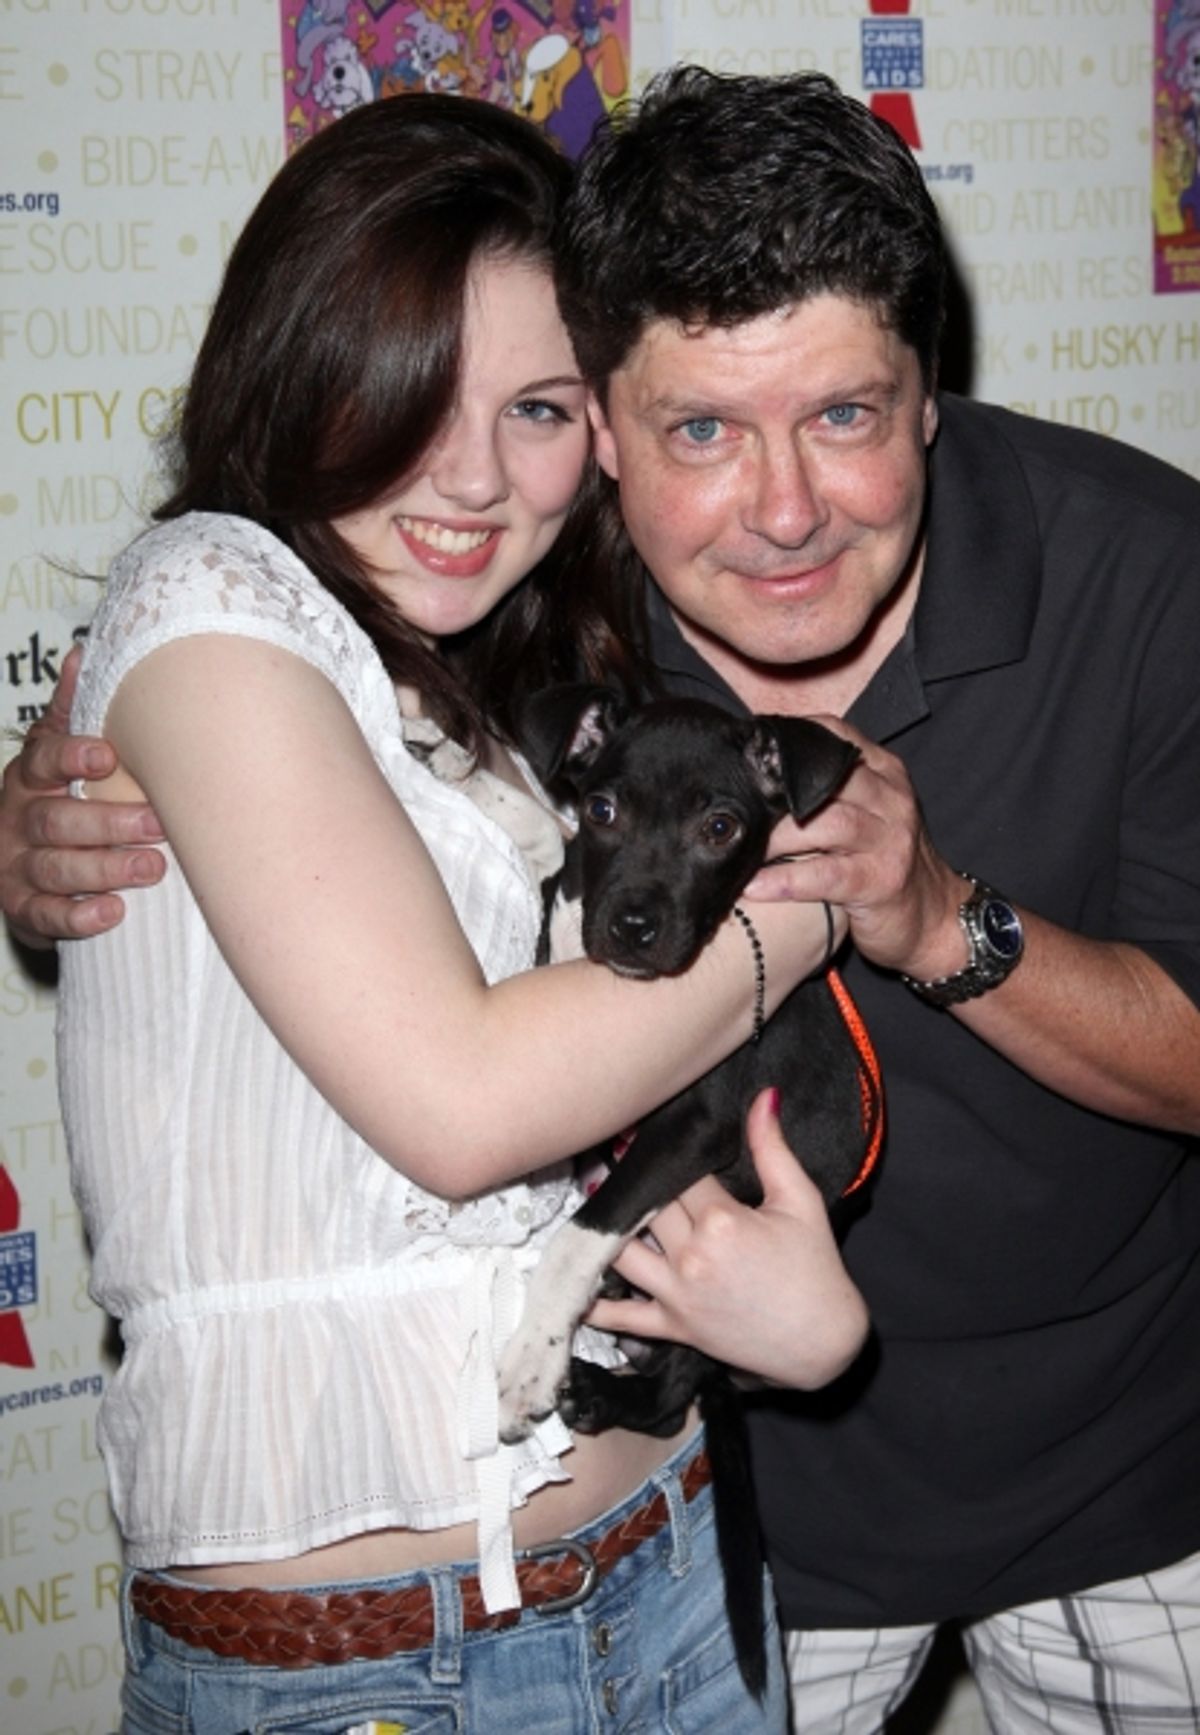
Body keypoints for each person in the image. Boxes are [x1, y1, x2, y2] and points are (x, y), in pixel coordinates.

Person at [11, 65, 1200, 1732]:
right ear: (624, 432)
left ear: (929, 392)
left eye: (847, 414)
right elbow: (285, 747)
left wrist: (935, 918)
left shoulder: (1144, 569)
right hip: (742, 1515)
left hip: (1105, 1470)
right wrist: (58, 805)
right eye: (700, 430)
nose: (783, 509)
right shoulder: (531, 622)